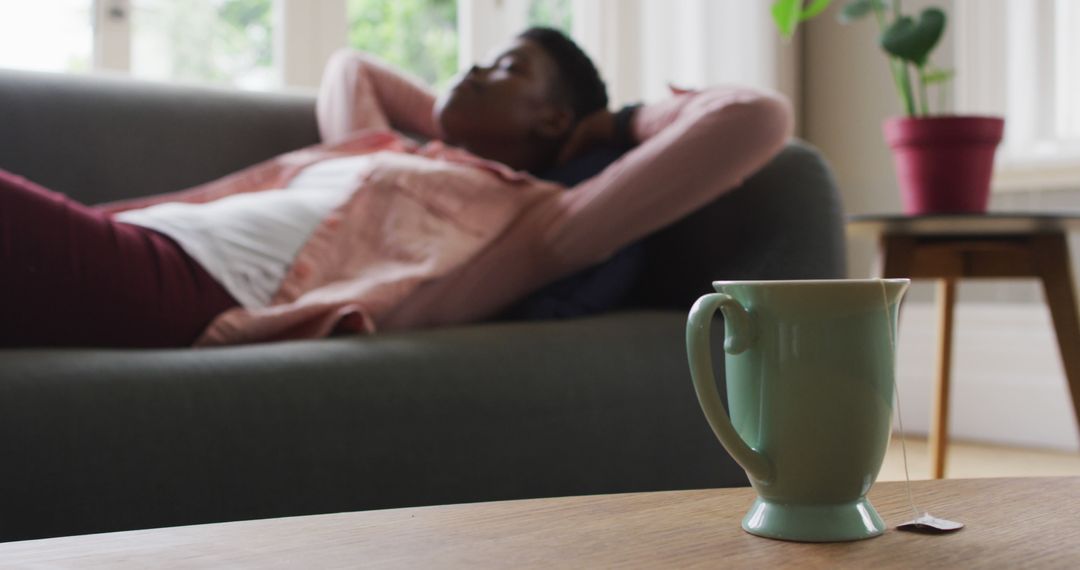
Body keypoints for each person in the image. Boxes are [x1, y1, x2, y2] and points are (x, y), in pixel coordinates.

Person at [0, 27, 792, 348]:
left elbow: (754, 117)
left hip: (190, 285)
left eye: (509, 68)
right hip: (148, 239)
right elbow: (355, 68)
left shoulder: (537, 222)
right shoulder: (390, 148)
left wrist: (608, 125)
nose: (476, 69)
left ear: (554, 120)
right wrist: (459, 125)